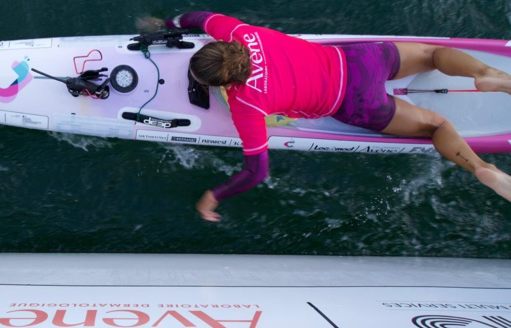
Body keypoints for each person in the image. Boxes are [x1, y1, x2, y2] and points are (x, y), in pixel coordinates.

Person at [137, 11, 511, 221]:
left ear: (224, 84)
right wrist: (170, 25)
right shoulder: (238, 32)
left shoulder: (246, 104)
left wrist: (212, 196)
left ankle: (481, 168)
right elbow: (199, 16)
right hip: (359, 60)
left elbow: (257, 171)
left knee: (437, 126)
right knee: (431, 55)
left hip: (353, 102)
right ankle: (484, 73)